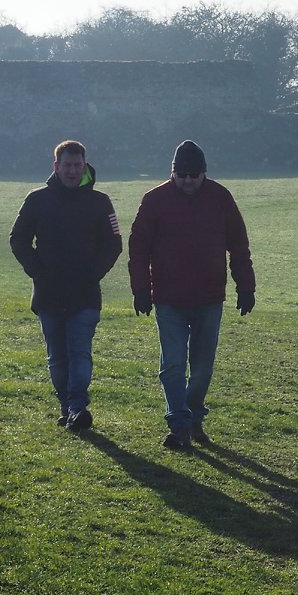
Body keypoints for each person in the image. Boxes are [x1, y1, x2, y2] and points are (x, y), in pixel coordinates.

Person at [128, 139, 255, 450]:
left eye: (193, 175)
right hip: (168, 298)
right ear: (172, 172)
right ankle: (180, 425)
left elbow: (238, 246)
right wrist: (141, 290)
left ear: (204, 173)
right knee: (172, 364)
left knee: (201, 366)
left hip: (209, 298)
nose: (186, 181)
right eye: (181, 174)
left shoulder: (221, 198)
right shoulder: (154, 200)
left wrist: (246, 286)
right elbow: (138, 248)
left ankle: (193, 414)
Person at [10, 139, 122, 431]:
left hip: (85, 295)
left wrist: (93, 273)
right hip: (48, 294)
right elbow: (18, 238)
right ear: (56, 167)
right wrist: (36, 270)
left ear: (85, 166)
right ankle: (67, 406)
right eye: (67, 165)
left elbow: (114, 244)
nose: (73, 171)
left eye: (78, 165)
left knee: (80, 351)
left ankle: (77, 406)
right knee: (57, 356)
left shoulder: (100, 202)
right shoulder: (37, 200)